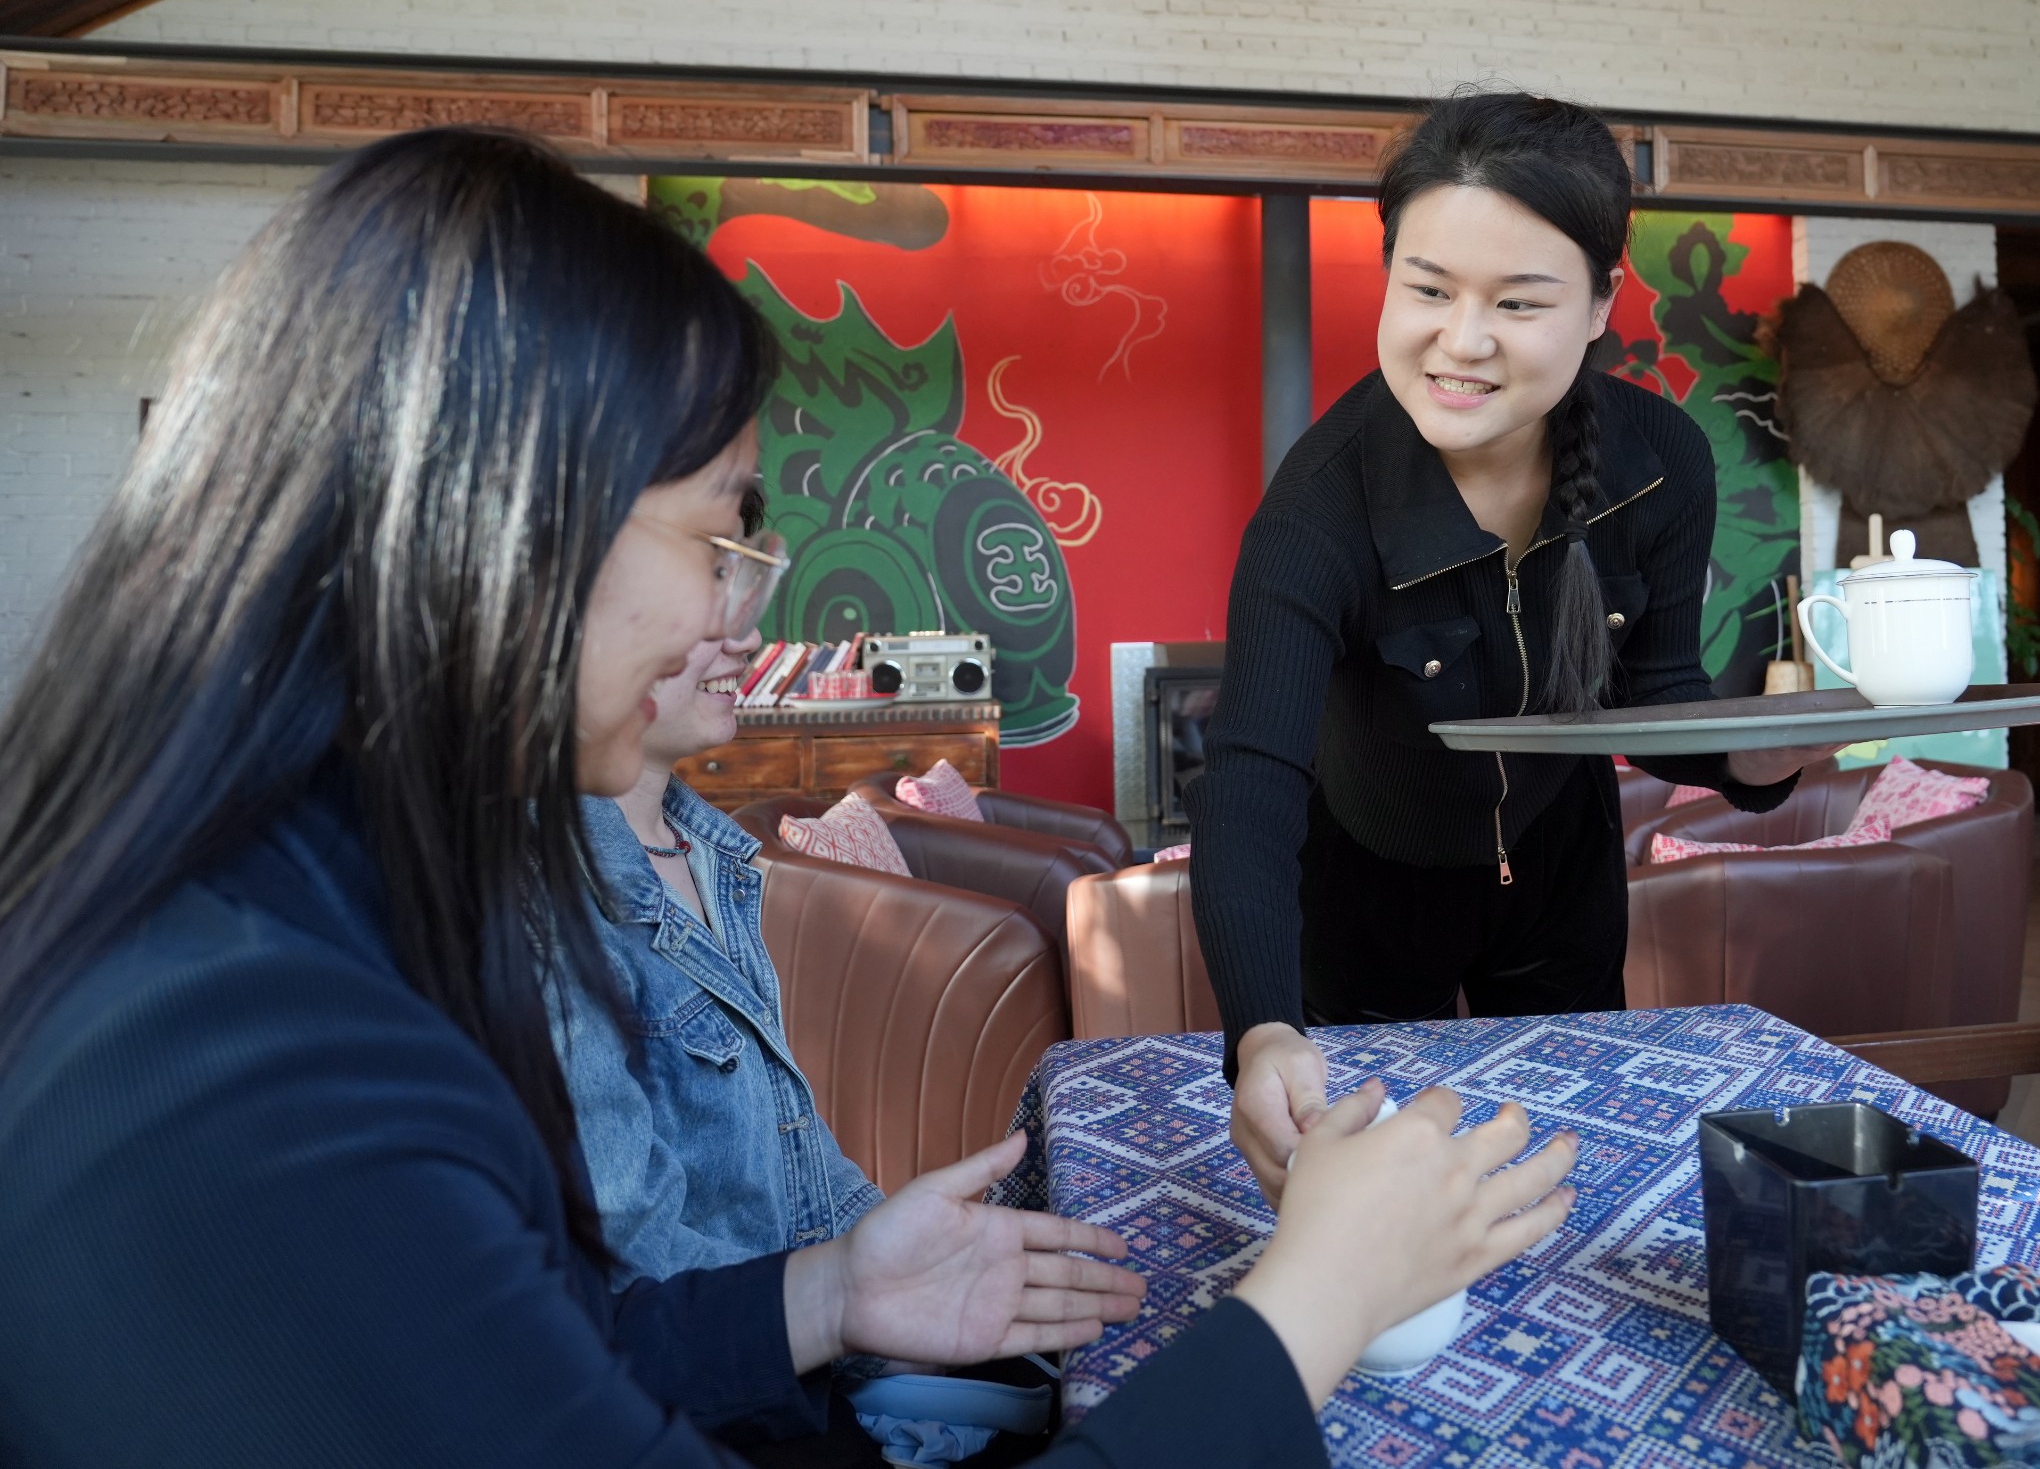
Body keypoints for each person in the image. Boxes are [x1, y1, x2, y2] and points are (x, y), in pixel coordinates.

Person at [0, 127, 1575, 1467]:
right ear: (502, 526)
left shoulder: (298, 915)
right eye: (714, 535)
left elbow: (516, 1350)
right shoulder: (261, 1073)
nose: (740, 609)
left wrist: (822, 1297)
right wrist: (1309, 1309)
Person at [1186, 90, 1840, 1200]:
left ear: (1598, 305)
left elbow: (1657, 692)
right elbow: (1250, 780)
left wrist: (1746, 762)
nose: (1462, 340)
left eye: (1519, 301)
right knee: (1373, 1198)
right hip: (1363, 886)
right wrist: (1261, 1030)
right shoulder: (1316, 513)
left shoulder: (1659, 459)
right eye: (1427, 289)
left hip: (1556, 865)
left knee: (1571, 1173)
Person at [549, 489, 888, 1292]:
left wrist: (908, 1247)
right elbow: (631, 1264)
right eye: (708, 580)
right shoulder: (553, 899)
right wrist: (862, 1307)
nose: (750, 638)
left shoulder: (710, 854)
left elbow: (800, 1166)